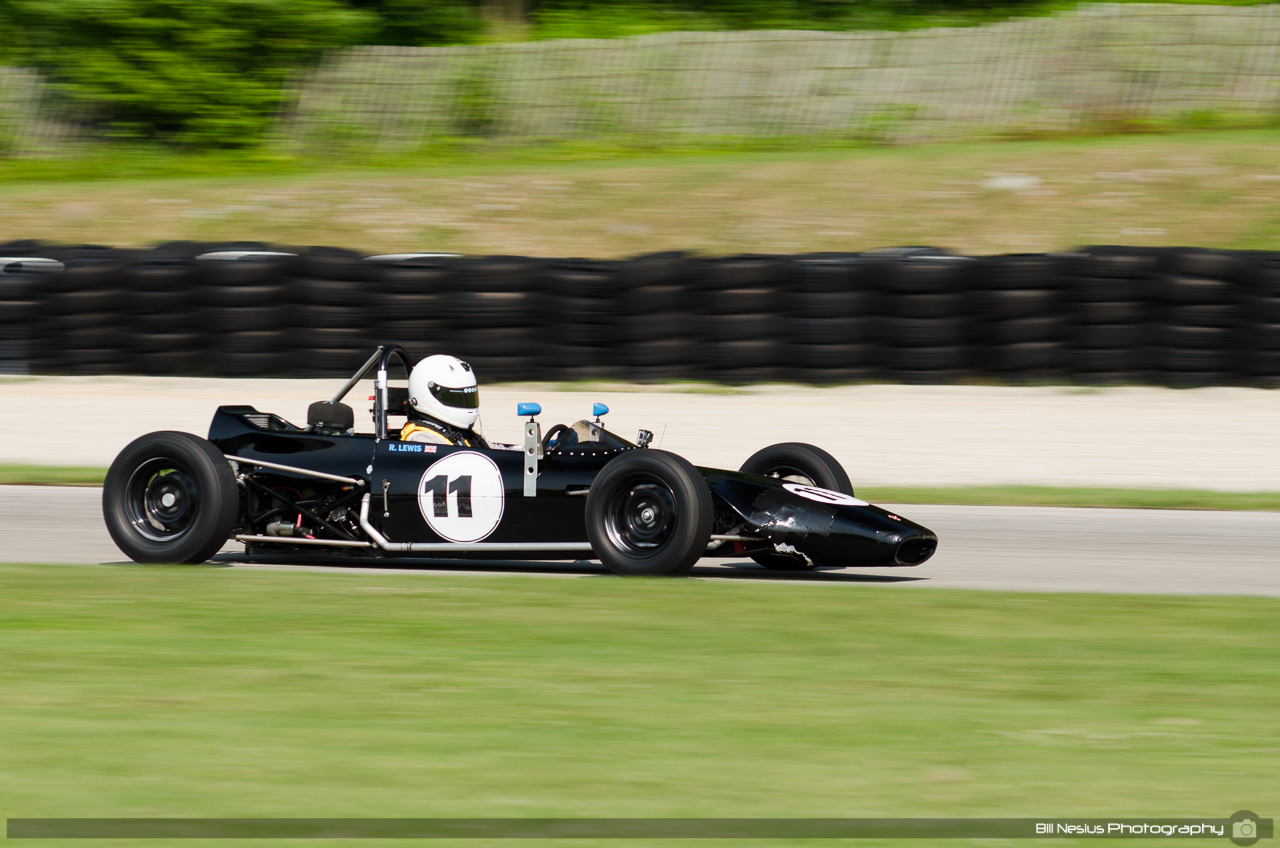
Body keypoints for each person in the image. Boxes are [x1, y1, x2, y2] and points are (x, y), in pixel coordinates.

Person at [401, 355, 488, 448]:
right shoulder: (421, 439)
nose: (465, 404)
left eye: (469, 397)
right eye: (454, 397)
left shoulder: (463, 434)